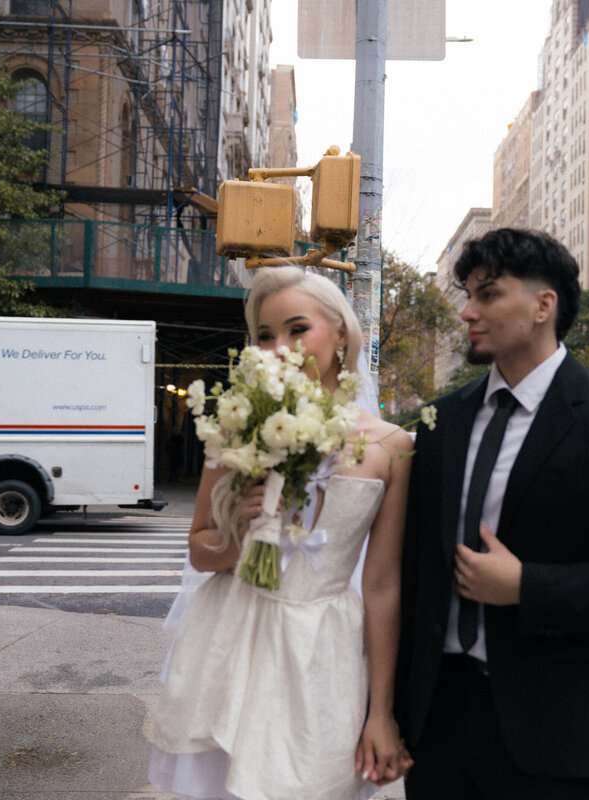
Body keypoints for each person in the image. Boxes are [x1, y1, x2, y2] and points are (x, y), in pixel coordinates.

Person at [395, 228, 589, 799]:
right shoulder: (441, 423)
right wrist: (386, 712)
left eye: (488, 294)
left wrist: (526, 586)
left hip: (551, 729)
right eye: (468, 295)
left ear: (543, 305)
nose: (467, 311)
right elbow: (411, 574)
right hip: (435, 723)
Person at [148, 266, 414, 800]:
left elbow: (383, 586)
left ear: (340, 333)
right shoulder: (238, 423)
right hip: (233, 639)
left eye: (297, 330)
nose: (279, 348)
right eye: (264, 336)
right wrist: (240, 535)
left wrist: (381, 713)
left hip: (325, 653)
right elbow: (201, 551)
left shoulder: (391, 446)